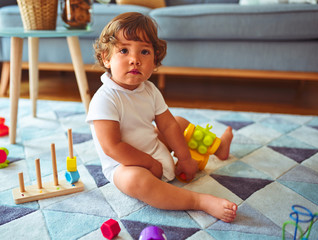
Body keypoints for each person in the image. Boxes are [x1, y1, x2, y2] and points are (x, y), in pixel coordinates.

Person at [86, 12, 237, 222]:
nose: (135, 60)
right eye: (124, 50)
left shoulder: (149, 89)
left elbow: (167, 126)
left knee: (179, 123)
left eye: (144, 52)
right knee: (137, 182)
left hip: (153, 148)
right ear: (106, 58)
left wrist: (184, 158)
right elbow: (113, 147)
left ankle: (219, 148)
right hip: (125, 165)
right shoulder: (105, 99)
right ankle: (198, 201)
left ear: (155, 60)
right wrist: (148, 163)